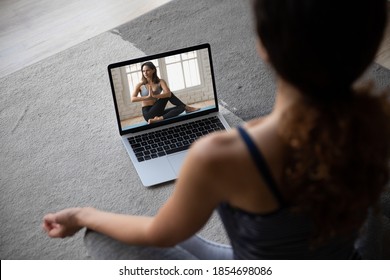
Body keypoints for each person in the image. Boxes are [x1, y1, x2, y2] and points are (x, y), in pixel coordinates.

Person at [43, 0, 390, 259]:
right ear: (371, 43)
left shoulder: (222, 155)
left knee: (103, 235)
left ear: (263, 45)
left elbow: (158, 234)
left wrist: (81, 214)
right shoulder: (379, 123)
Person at [131, 61, 199, 124]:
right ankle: (188, 108)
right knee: (169, 95)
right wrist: (147, 97)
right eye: (143, 71)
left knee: (181, 107)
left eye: (147, 70)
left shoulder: (160, 82)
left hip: (157, 111)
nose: (145, 73)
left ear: (153, 70)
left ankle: (159, 118)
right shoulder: (140, 85)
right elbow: (132, 99)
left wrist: (155, 96)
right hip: (148, 113)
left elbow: (168, 93)